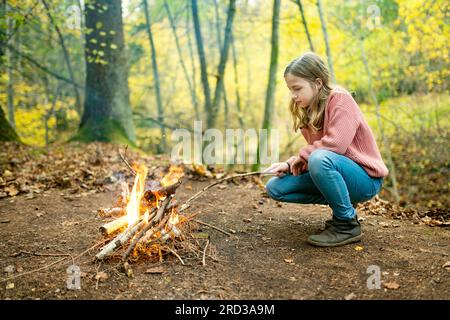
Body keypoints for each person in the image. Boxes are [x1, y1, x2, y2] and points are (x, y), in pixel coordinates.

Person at [264, 52, 389, 247]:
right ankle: (342, 204)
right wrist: (289, 165)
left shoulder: (340, 99)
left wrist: (302, 157)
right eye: (290, 89)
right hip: (336, 170)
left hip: (365, 179)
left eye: (297, 88)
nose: (294, 95)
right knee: (276, 187)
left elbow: (334, 146)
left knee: (319, 158)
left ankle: (346, 224)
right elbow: (317, 152)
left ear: (318, 82)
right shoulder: (309, 109)